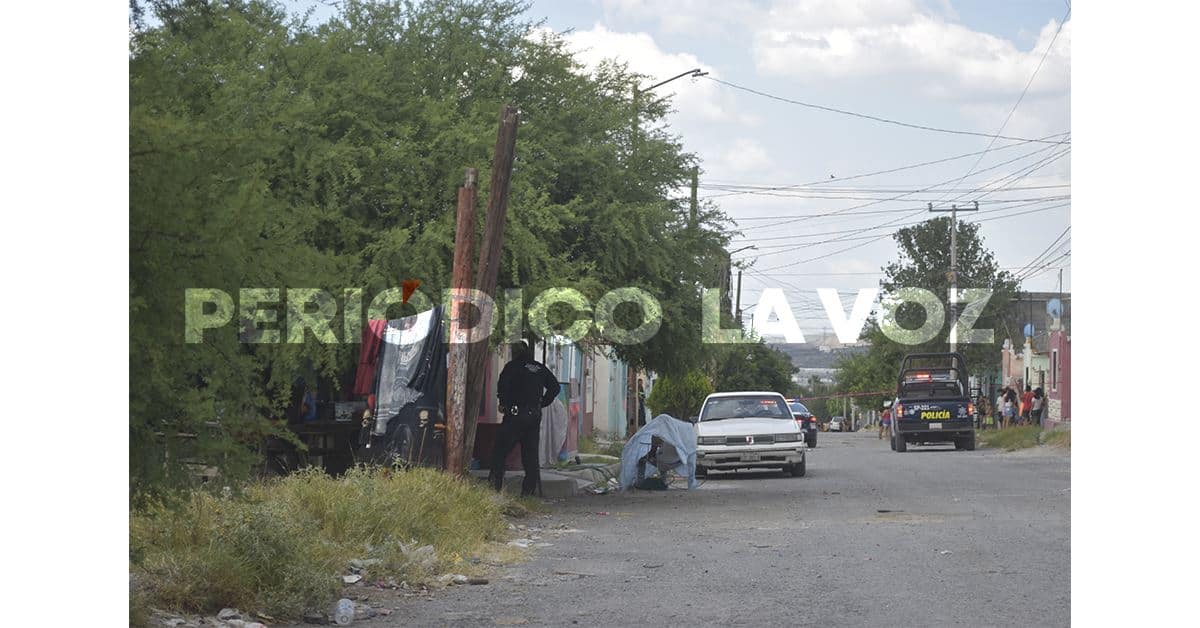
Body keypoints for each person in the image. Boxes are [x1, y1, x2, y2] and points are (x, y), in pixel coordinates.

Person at [490, 341, 561, 496]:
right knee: (530, 454)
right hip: (533, 416)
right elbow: (555, 387)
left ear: (515, 352)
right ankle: (528, 492)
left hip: (515, 415)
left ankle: (495, 487)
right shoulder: (539, 368)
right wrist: (542, 402)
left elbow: (503, 386)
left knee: (500, 451)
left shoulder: (512, 367)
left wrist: (503, 403)